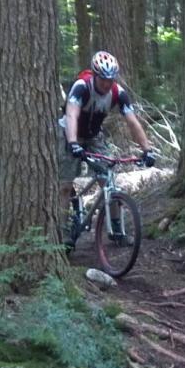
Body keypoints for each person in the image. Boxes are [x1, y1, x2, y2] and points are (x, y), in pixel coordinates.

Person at [59, 51, 156, 248]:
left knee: (110, 182)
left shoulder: (118, 92)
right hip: (70, 133)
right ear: (95, 75)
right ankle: (61, 233)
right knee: (65, 185)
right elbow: (71, 115)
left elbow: (132, 121)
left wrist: (147, 150)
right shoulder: (81, 87)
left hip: (94, 136)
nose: (106, 84)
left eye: (110, 79)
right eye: (103, 79)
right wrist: (73, 142)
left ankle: (117, 231)